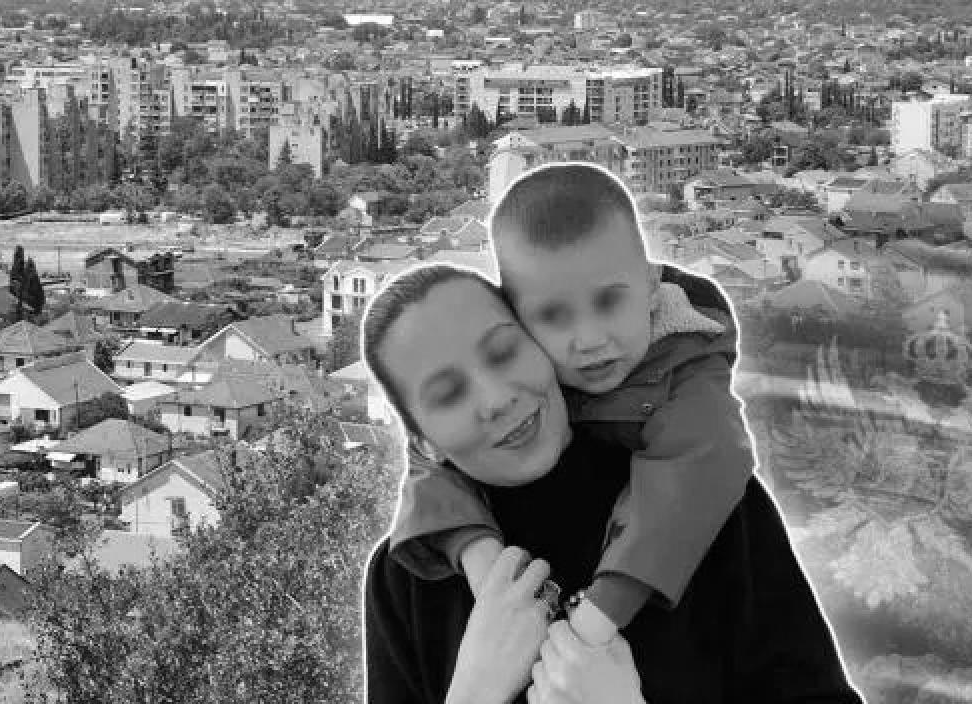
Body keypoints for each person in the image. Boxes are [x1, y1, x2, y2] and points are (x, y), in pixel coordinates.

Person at [362, 263, 865, 704]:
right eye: (448, 395)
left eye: (504, 352)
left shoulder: (701, 501)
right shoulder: (408, 575)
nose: (495, 398)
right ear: (422, 441)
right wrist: (474, 693)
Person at [388, 162, 756, 647]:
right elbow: (430, 458)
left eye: (609, 301)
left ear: (651, 286)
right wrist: (478, 556)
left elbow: (693, 478)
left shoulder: (689, 378)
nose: (589, 339)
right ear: (515, 318)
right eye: (553, 316)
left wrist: (598, 617)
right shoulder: (526, 388)